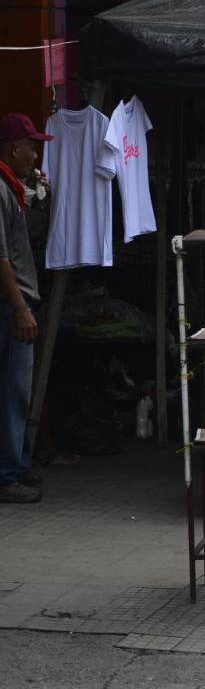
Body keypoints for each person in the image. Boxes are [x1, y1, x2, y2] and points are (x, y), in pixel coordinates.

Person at [0, 113, 50, 503]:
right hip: (10, 304)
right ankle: (7, 474)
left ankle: (15, 465)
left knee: (17, 388)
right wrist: (19, 307)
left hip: (16, 300)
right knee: (13, 388)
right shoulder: (0, 189)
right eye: (31, 147)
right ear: (14, 149)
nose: (35, 154)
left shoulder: (12, 187)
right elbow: (1, 258)